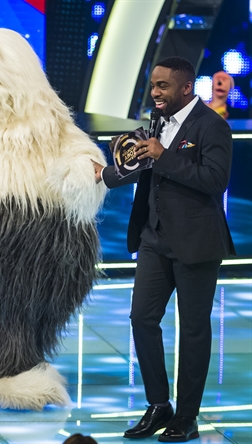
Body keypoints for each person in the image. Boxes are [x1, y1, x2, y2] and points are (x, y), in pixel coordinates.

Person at [94, 56, 235, 442]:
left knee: (192, 331)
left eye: (162, 87)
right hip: (153, 240)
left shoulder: (212, 126)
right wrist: (103, 175)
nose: (154, 93)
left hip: (196, 243)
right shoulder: (157, 123)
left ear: (186, 88)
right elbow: (143, 167)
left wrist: (163, 156)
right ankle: (159, 405)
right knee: (141, 319)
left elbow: (214, 180)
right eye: (153, 85)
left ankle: (186, 417)